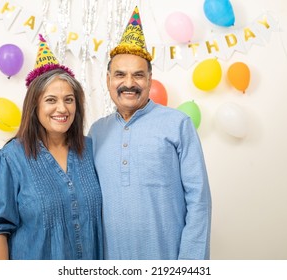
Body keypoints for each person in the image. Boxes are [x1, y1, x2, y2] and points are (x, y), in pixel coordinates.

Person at [88, 6, 211, 260]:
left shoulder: (178, 124)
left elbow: (199, 202)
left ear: (150, 80)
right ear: (108, 79)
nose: (129, 83)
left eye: (138, 75)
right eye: (120, 74)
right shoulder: (96, 131)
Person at [0, 35, 103, 260]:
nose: (62, 108)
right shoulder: (10, 160)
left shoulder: (91, 150)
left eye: (69, 99)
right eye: (51, 100)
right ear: (34, 106)